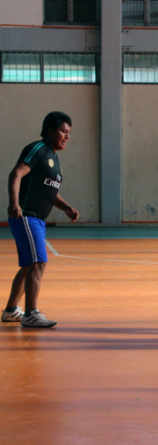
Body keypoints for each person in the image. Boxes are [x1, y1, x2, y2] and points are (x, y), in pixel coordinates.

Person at [4, 112, 80, 328]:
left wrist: (66, 207)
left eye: (69, 133)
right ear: (49, 130)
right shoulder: (37, 149)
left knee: (29, 265)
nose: (67, 136)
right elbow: (15, 174)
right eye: (63, 131)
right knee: (39, 262)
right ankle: (30, 314)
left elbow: (49, 192)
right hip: (26, 215)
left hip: (37, 220)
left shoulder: (54, 158)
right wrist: (14, 203)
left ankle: (11, 311)